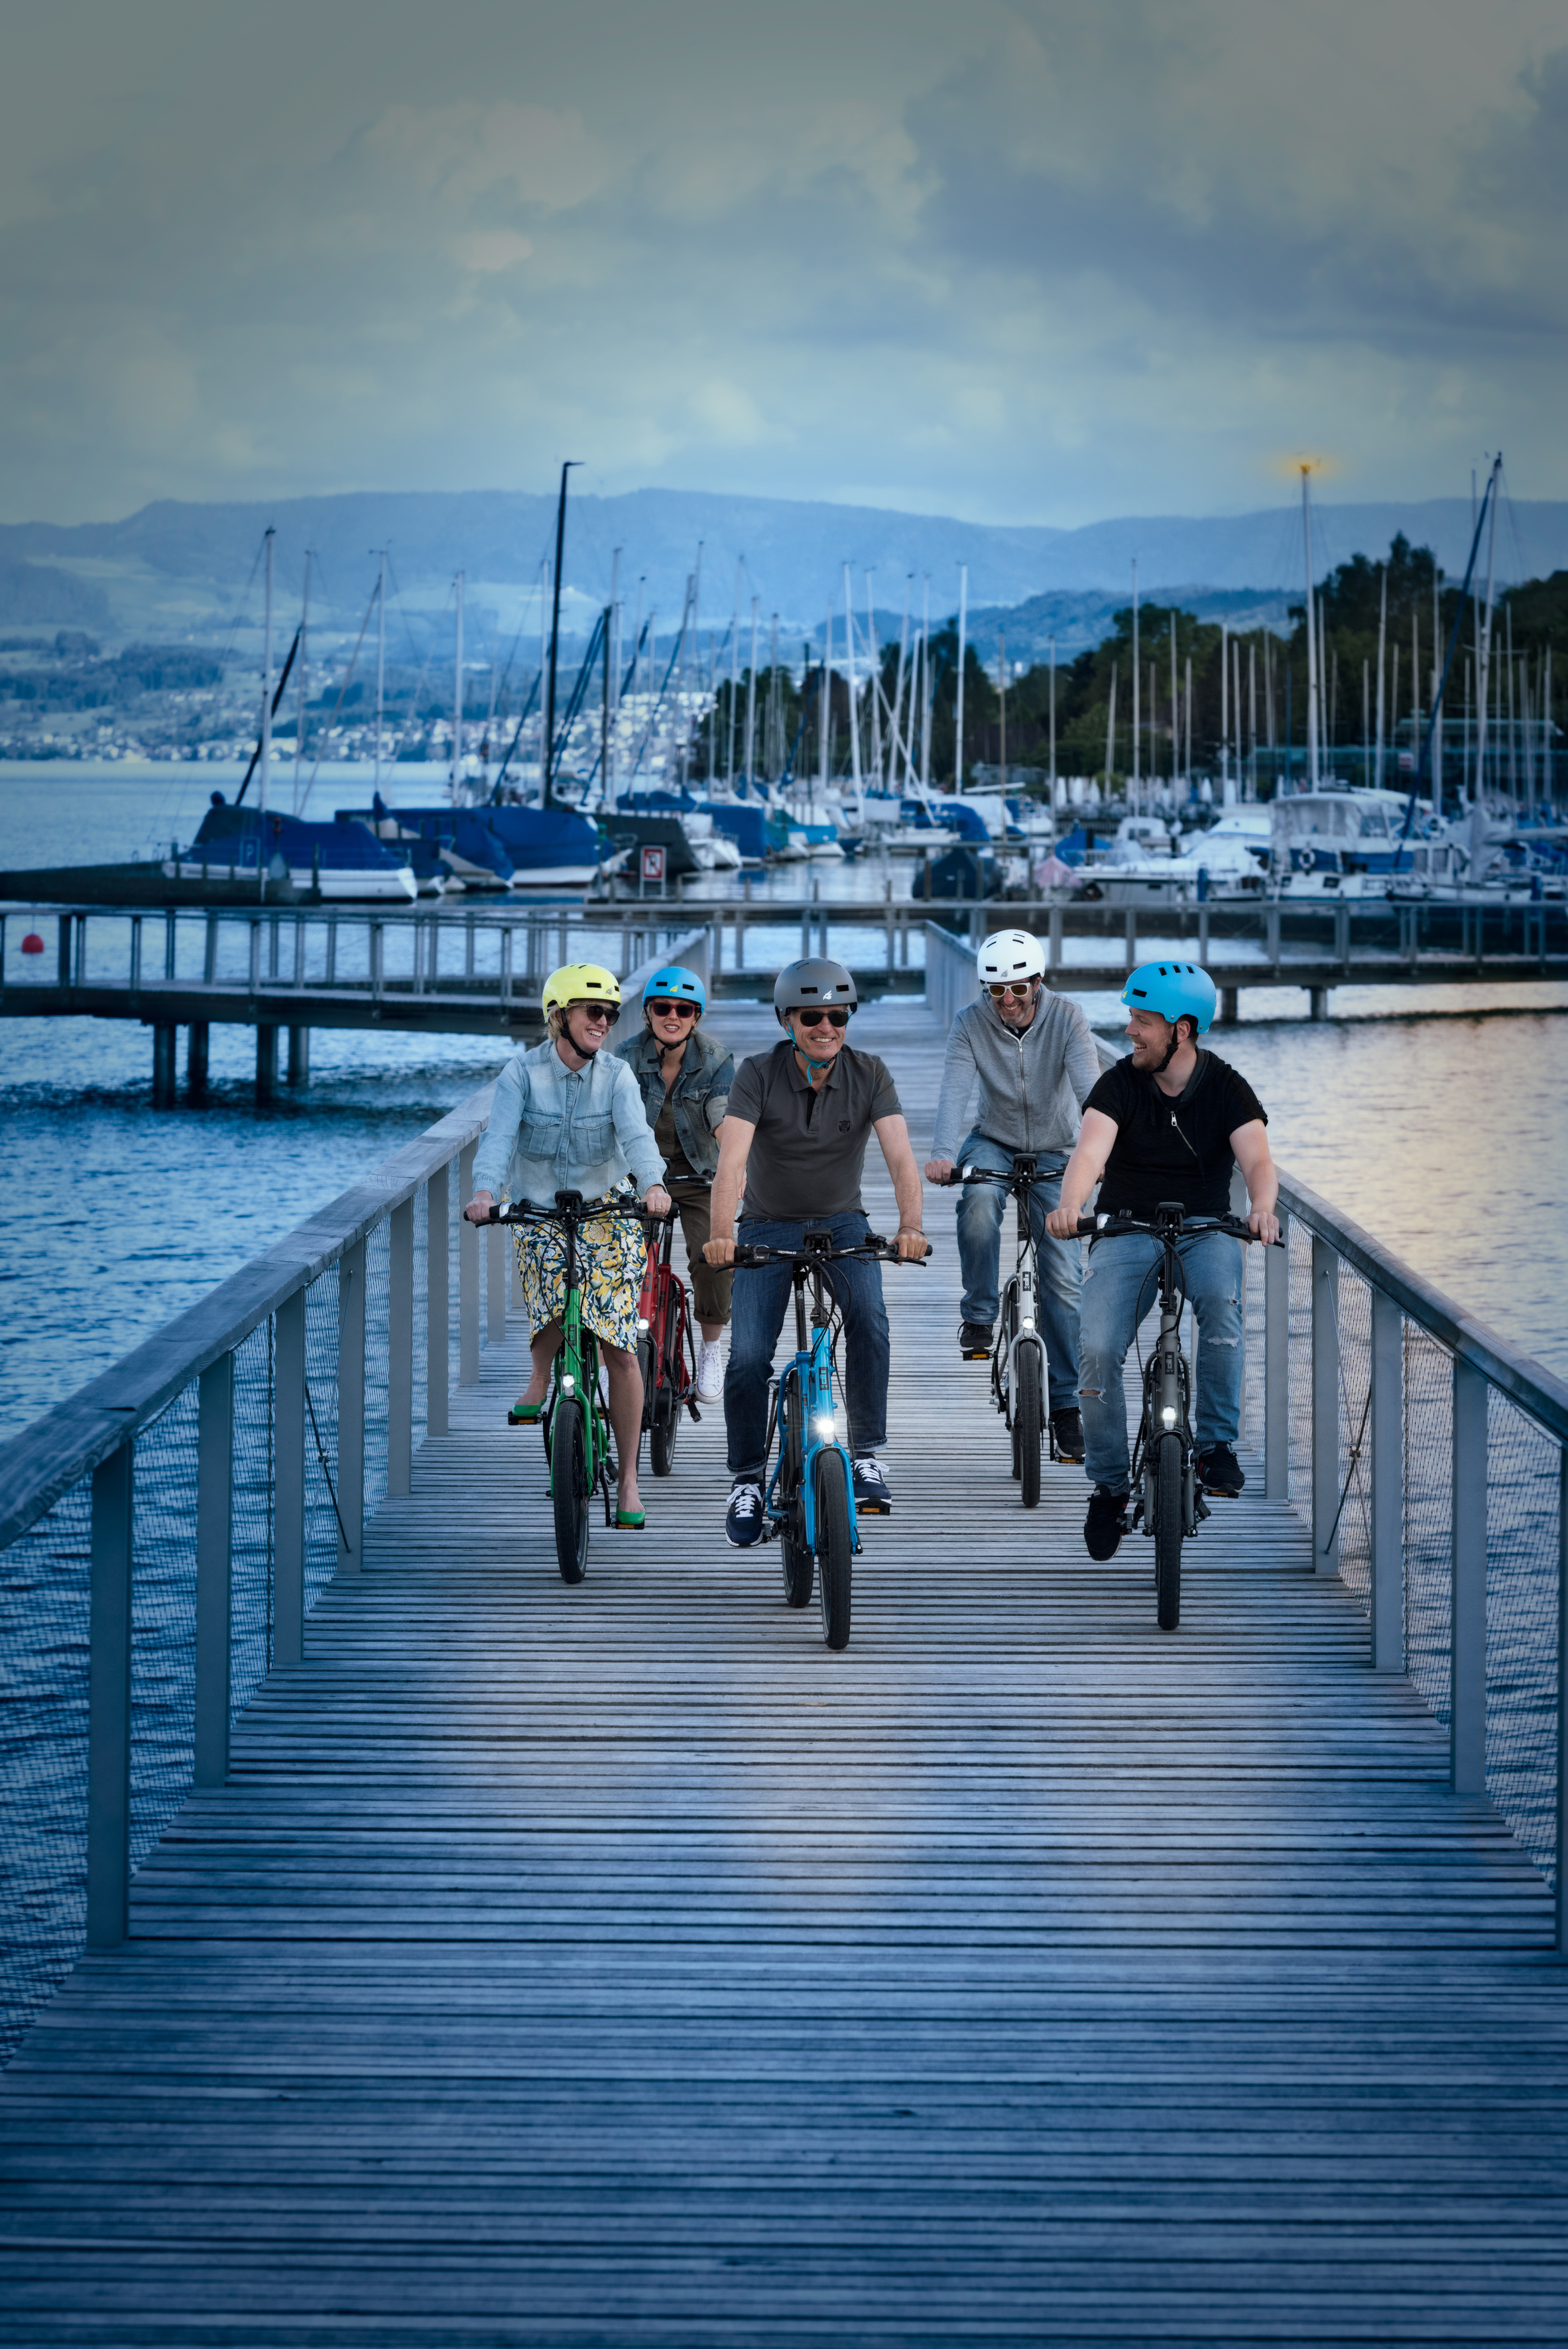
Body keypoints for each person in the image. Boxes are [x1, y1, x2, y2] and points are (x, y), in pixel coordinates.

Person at [1046, 960, 1280, 1561]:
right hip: (1126, 1227)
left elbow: (1257, 1159)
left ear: (1181, 1029)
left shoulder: (1225, 1085)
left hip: (1206, 1228)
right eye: (1130, 1018)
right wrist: (1071, 1205)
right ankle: (1107, 1486)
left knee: (1222, 1312)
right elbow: (1089, 1152)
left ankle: (1216, 1446)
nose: (1129, 1030)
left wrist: (1261, 1209)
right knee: (1097, 1346)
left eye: (1141, 1021)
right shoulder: (1118, 1084)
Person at [703, 957, 927, 1546]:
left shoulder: (870, 1072)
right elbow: (731, 1164)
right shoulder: (756, 1073)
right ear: (787, 1020)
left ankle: (867, 1454)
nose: (826, 1026)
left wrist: (910, 1225)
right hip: (766, 1224)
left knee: (870, 1319)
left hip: (843, 1222)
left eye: (837, 1015)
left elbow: (901, 1158)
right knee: (748, 1355)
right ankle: (746, 1479)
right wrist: (722, 1233)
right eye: (811, 1017)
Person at [466, 963, 671, 1530]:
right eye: (592, 1012)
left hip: (606, 1208)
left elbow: (637, 1137)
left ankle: (627, 1479)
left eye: (610, 1013)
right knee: (552, 1289)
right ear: (559, 1015)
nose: (604, 1022)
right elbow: (499, 1139)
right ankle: (540, 1374)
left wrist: (653, 1185)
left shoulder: (617, 1075)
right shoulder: (520, 1074)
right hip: (540, 1209)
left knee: (620, 1349)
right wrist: (484, 1192)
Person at [924, 927, 1100, 1460]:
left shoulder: (1067, 1017)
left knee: (1064, 1279)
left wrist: (1105, 1153)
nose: (1007, 1001)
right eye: (995, 990)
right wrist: (942, 1153)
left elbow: (1092, 1093)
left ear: (1037, 982)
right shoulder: (969, 1022)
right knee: (978, 1202)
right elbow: (953, 1089)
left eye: (1018, 989)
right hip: (993, 1141)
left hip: (1058, 1148)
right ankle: (979, 1314)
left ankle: (1065, 1405)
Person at [615, 965, 733, 1404]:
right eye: (662, 1007)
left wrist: (734, 1165)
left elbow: (723, 1116)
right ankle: (619, 1350)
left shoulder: (716, 1059)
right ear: (647, 1013)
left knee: (714, 1254)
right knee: (619, 1257)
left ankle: (710, 1347)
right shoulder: (625, 1056)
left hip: (698, 1175)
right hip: (637, 1176)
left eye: (684, 1009)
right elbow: (614, 1117)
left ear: (695, 1017)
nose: (672, 1016)